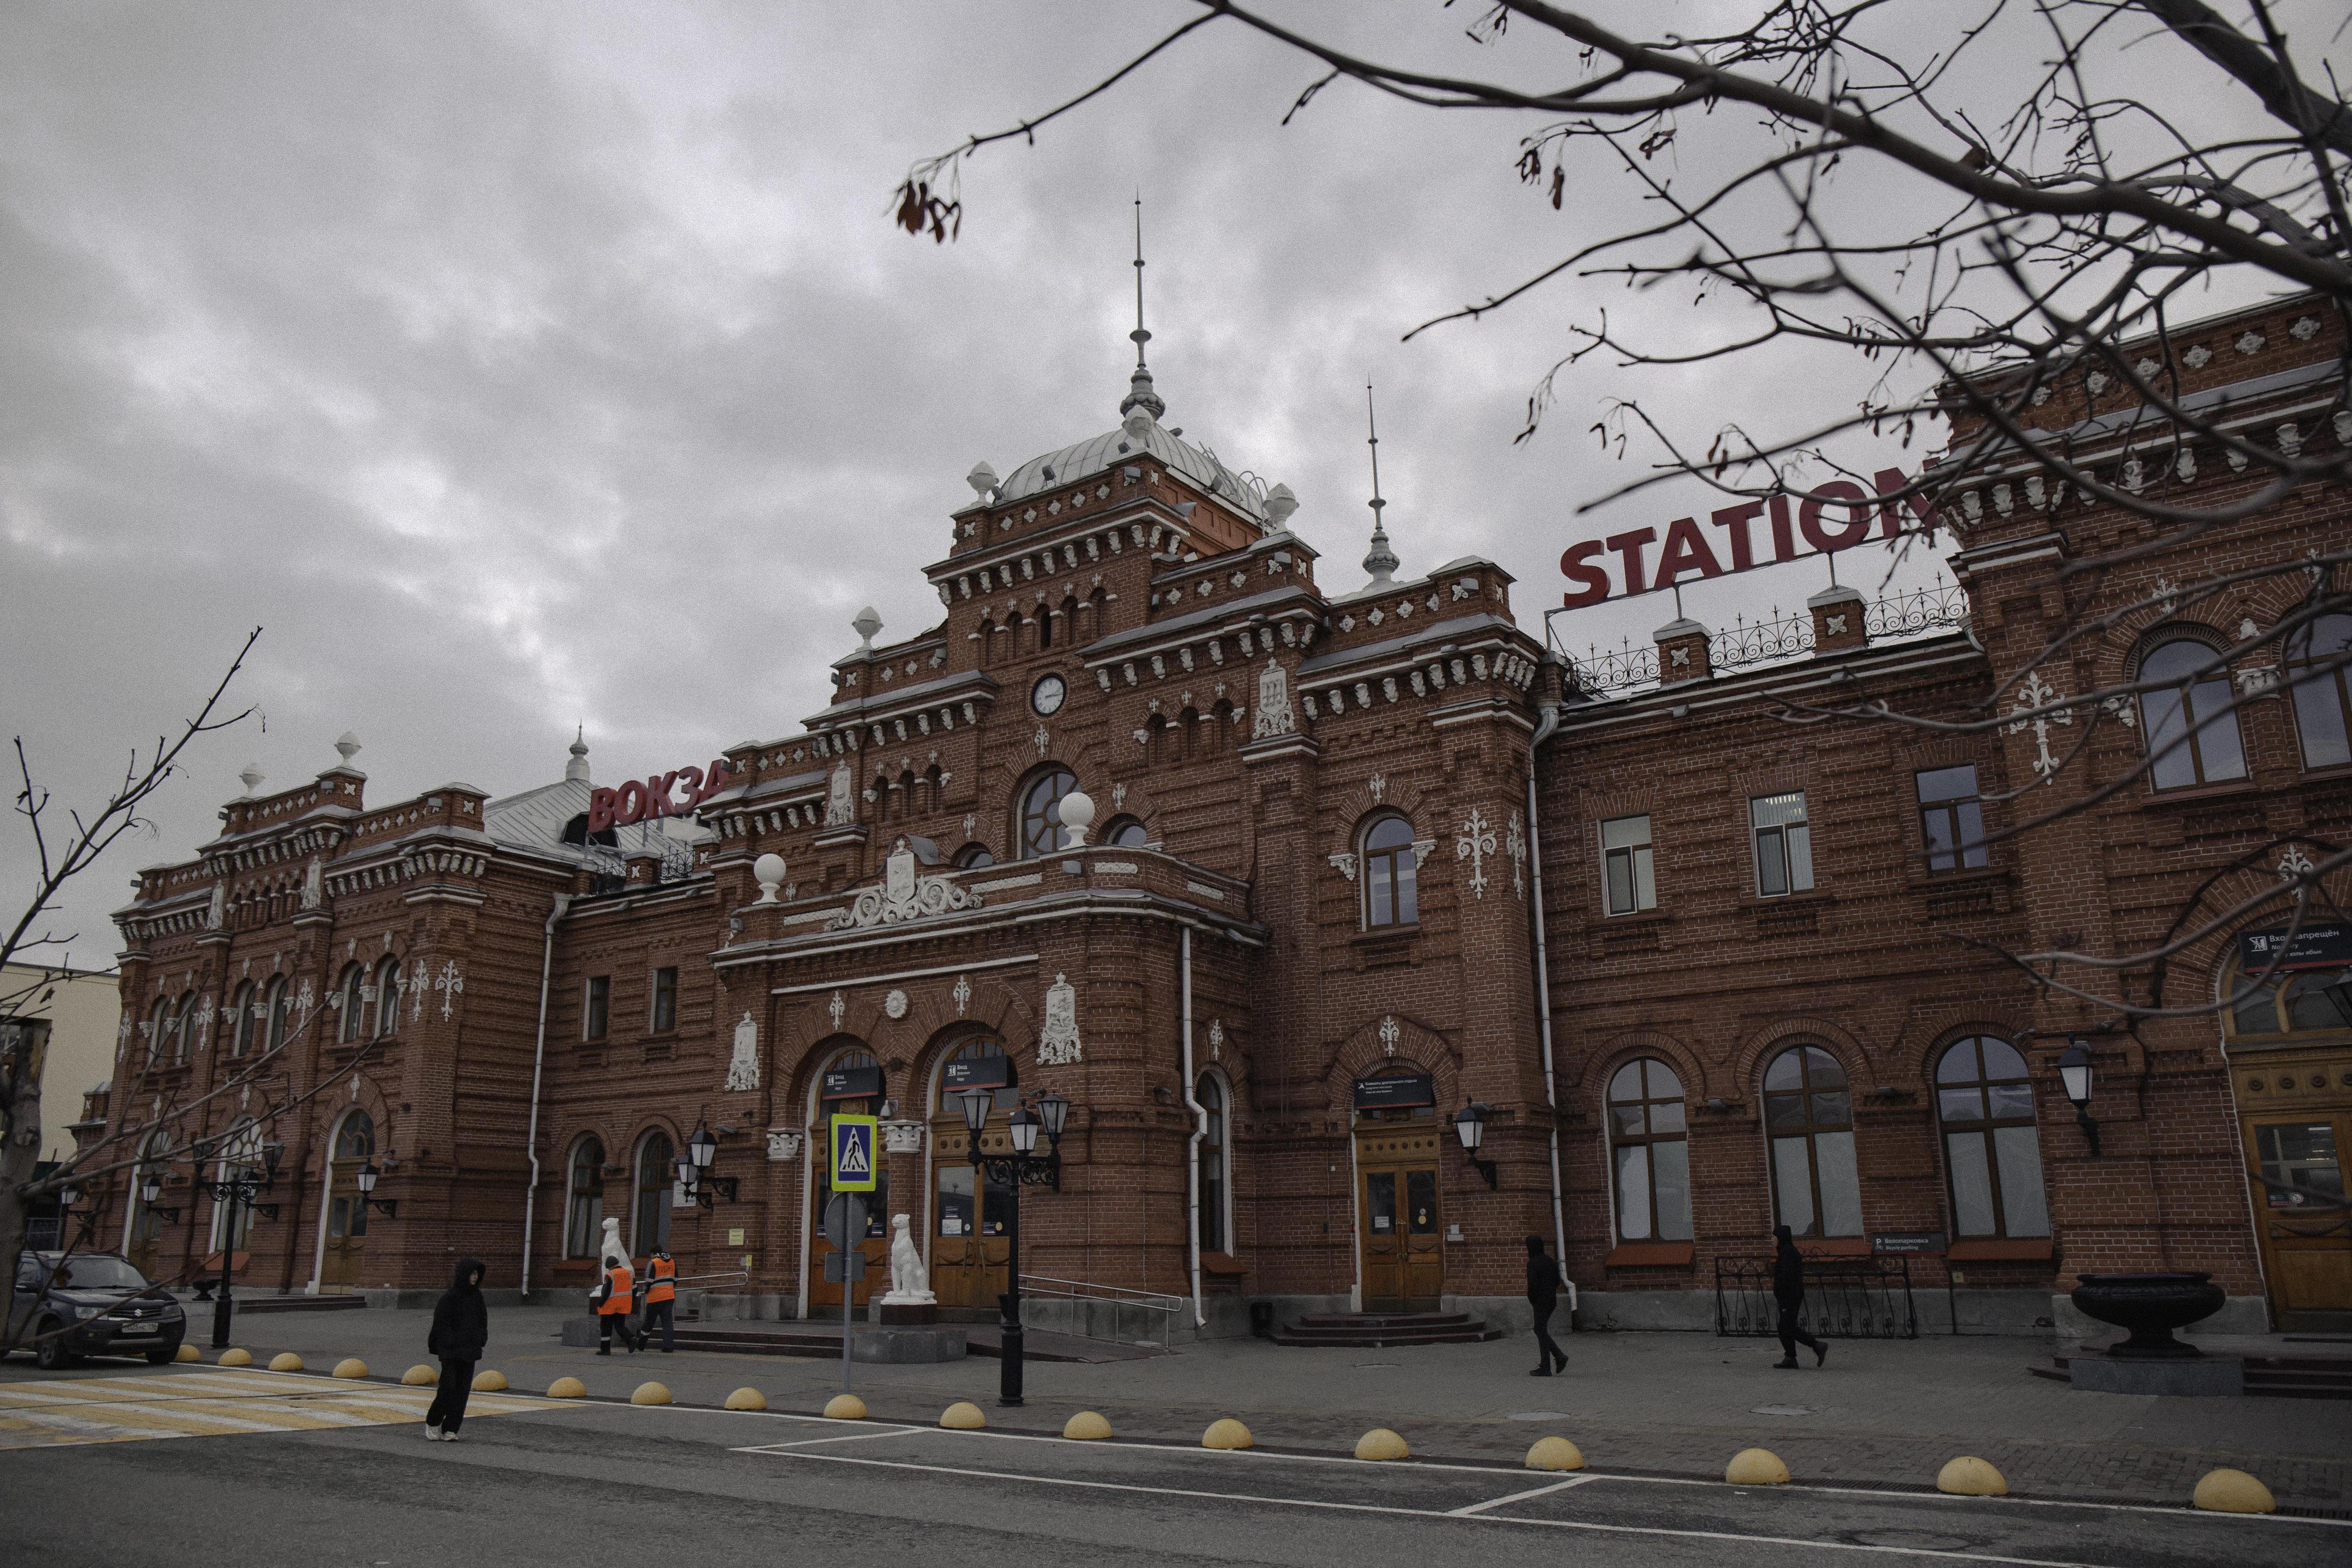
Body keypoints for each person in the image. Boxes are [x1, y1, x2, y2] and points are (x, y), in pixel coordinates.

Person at [424, 1257, 488, 1441]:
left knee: (462, 1392)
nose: (475, 1278)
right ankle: (434, 1422)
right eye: (472, 1274)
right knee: (448, 1388)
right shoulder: (450, 1297)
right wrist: (449, 1343)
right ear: (463, 1274)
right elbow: (441, 1324)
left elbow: (483, 1321)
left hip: (470, 1350)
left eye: (477, 1274)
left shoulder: (477, 1297)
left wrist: (481, 1339)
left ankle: (451, 1428)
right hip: (451, 1352)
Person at [1772, 1224, 1828, 1369]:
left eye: (1774, 1237)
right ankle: (1791, 1357)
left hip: (1789, 1297)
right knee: (1785, 1326)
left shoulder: (1788, 1253)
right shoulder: (1786, 1251)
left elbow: (1787, 1278)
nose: (1773, 1240)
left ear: (1781, 1238)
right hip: (1788, 1297)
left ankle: (1816, 1345)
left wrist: (1783, 1297)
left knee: (1786, 1327)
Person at [1526, 1234, 1567, 1377]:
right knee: (1540, 1330)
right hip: (1551, 1300)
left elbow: (1532, 1285)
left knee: (1540, 1330)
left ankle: (1547, 1366)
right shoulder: (1550, 1261)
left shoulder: (1533, 1263)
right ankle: (1558, 1357)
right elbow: (1557, 1281)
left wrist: (1532, 1299)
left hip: (1540, 1301)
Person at [592, 1250, 638, 1354]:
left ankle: (605, 1350)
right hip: (624, 1305)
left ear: (610, 1266)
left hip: (610, 1306)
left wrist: (600, 1303)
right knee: (620, 1326)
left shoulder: (610, 1275)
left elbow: (606, 1292)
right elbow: (635, 1290)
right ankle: (630, 1339)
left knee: (606, 1328)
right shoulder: (629, 1274)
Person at [641, 1245, 677, 1353]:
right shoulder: (672, 1262)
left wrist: (647, 1290)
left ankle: (641, 1344)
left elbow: (649, 1280)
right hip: (669, 1296)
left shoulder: (653, 1263)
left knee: (649, 1322)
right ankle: (669, 1346)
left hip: (655, 1298)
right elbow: (676, 1279)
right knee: (667, 1322)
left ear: (653, 1253)